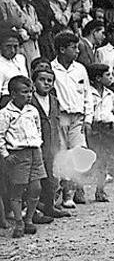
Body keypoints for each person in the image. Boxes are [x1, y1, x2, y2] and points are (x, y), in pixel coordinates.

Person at [0, 76, 48, 238]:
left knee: (36, 187)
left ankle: (29, 219)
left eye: (30, 92)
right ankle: (19, 222)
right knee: (18, 189)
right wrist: (6, 154)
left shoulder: (32, 110)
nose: (28, 96)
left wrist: (38, 145)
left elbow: (38, 129)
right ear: (13, 94)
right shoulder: (6, 113)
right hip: (18, 154)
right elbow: (0, 136)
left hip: (35, 152)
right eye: (24, 92)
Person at [52, 31, 93, 207]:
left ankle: (74, 191)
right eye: (73, 47)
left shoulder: (80, 69)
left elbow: (87, 95)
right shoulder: (52, 69)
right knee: (62, 155)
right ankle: (62, 194)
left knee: (78, 154)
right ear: (62, 49)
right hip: (61, 117)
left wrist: (88, 118)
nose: (77, 51)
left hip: (78, 118)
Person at [30, 67, 68, 219]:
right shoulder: (30, 100)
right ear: (34, 82)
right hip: (37, 144)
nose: (46, 83)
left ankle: (50, 207)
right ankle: (35, 211)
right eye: (42, 80)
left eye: (49, 81)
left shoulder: (54, 100)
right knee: (36, 178)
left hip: (52, 144)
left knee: (52, 177)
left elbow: (56, 122)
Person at [86, 63, 114, 203]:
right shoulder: (88, 93)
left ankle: (100, 189)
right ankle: (78, 190)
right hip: (94, 127)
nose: (111, 77)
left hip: (107, 128)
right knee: (89, 159)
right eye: (107, 75)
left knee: (104, 159)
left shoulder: (110, 94)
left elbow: (112, 111)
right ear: (98, 78)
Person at [13, 0, 42, 68]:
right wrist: (32, 30)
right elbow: (24, 28)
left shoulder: (31, 8)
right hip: (23, 47)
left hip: (34, 46)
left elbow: (39, 26)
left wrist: (34, 30)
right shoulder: (16, 8)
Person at [0, 28, 28, 98]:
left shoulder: (21, 59)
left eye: (15, 46)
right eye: (8, 46)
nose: (12, 50)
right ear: (1, 46)